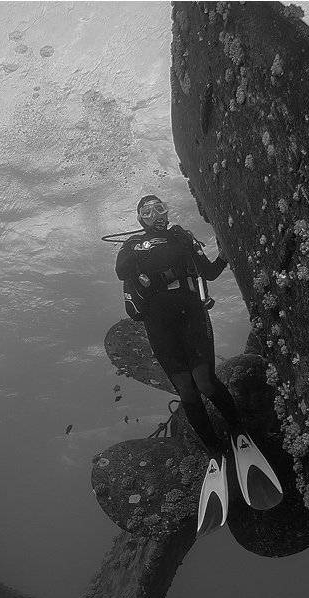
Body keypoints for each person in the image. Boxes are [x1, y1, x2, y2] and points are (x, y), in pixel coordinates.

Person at [117, 194, 275, 532]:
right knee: (187, 391)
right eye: (147, 210)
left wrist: (226, 250)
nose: (154, 213)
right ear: (140, 216)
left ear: (167, 211)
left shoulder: (182, 236)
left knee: (204, 381)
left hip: (191, 316)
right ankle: (215, 453)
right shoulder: (131, 245)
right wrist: (146, 256)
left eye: (159, 207)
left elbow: (210, 272)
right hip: (158, 326)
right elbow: (121, 270)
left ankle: (238, 432)